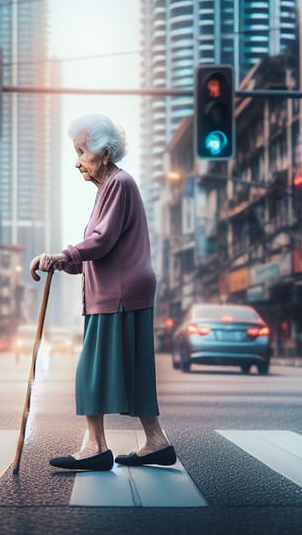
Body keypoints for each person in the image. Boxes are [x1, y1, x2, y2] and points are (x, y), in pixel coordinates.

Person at [30, 113, 176, 472]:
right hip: (124, 289)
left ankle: (95, 446)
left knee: (90, 372)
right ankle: (156, 441)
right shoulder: (110, 189)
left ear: (104, 154)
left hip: (118, 293)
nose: (76, 160)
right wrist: (66, 262)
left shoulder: (118, 185)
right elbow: (96, 252)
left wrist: (62, 255)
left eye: (81, 151)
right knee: (135, 370)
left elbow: (101, 241)